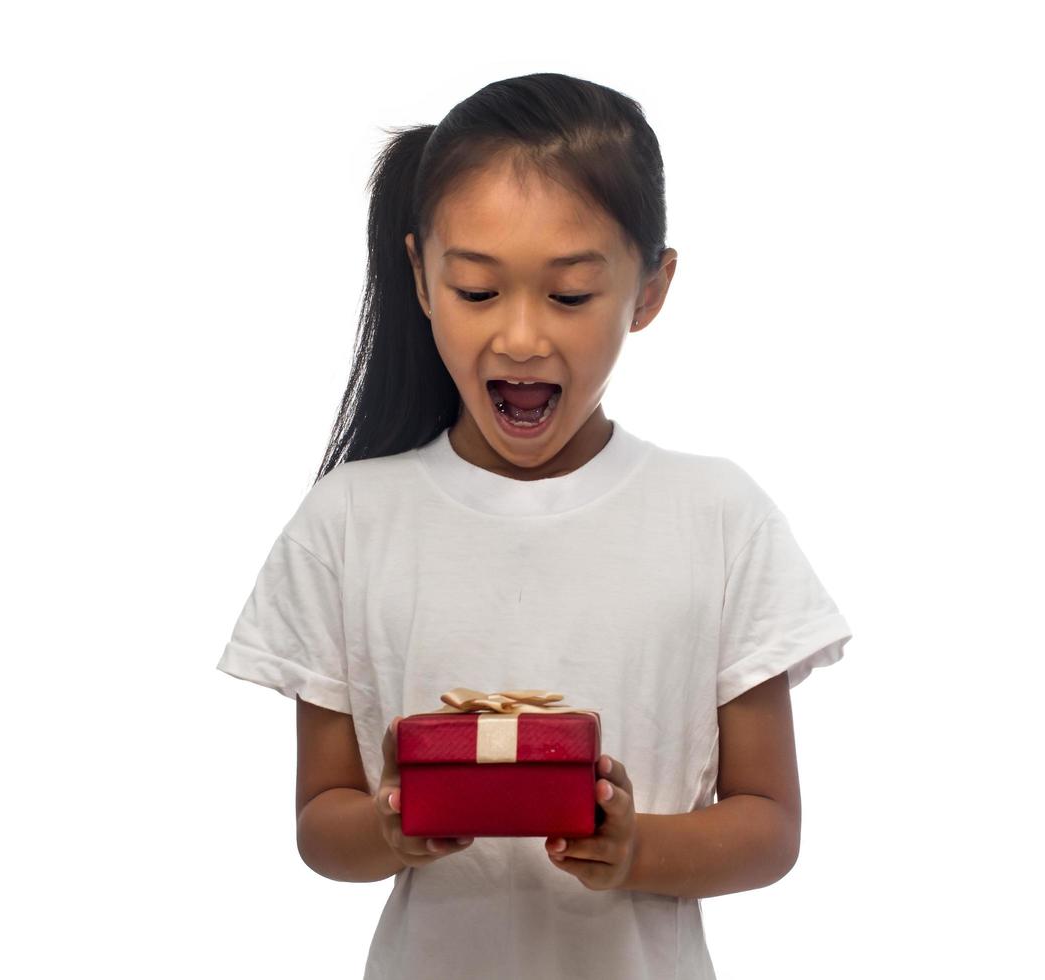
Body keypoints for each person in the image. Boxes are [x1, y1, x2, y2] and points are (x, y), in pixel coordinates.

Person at [217, 71, 853, 980]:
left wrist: (637, 849)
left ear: (650, 288)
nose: (519, 338)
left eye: (569, 295)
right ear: (422, 278)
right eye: (477, 290)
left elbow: (769, 826)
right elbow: (323, 825)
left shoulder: (718, 516)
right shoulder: (349, 521)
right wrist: (394, 824)